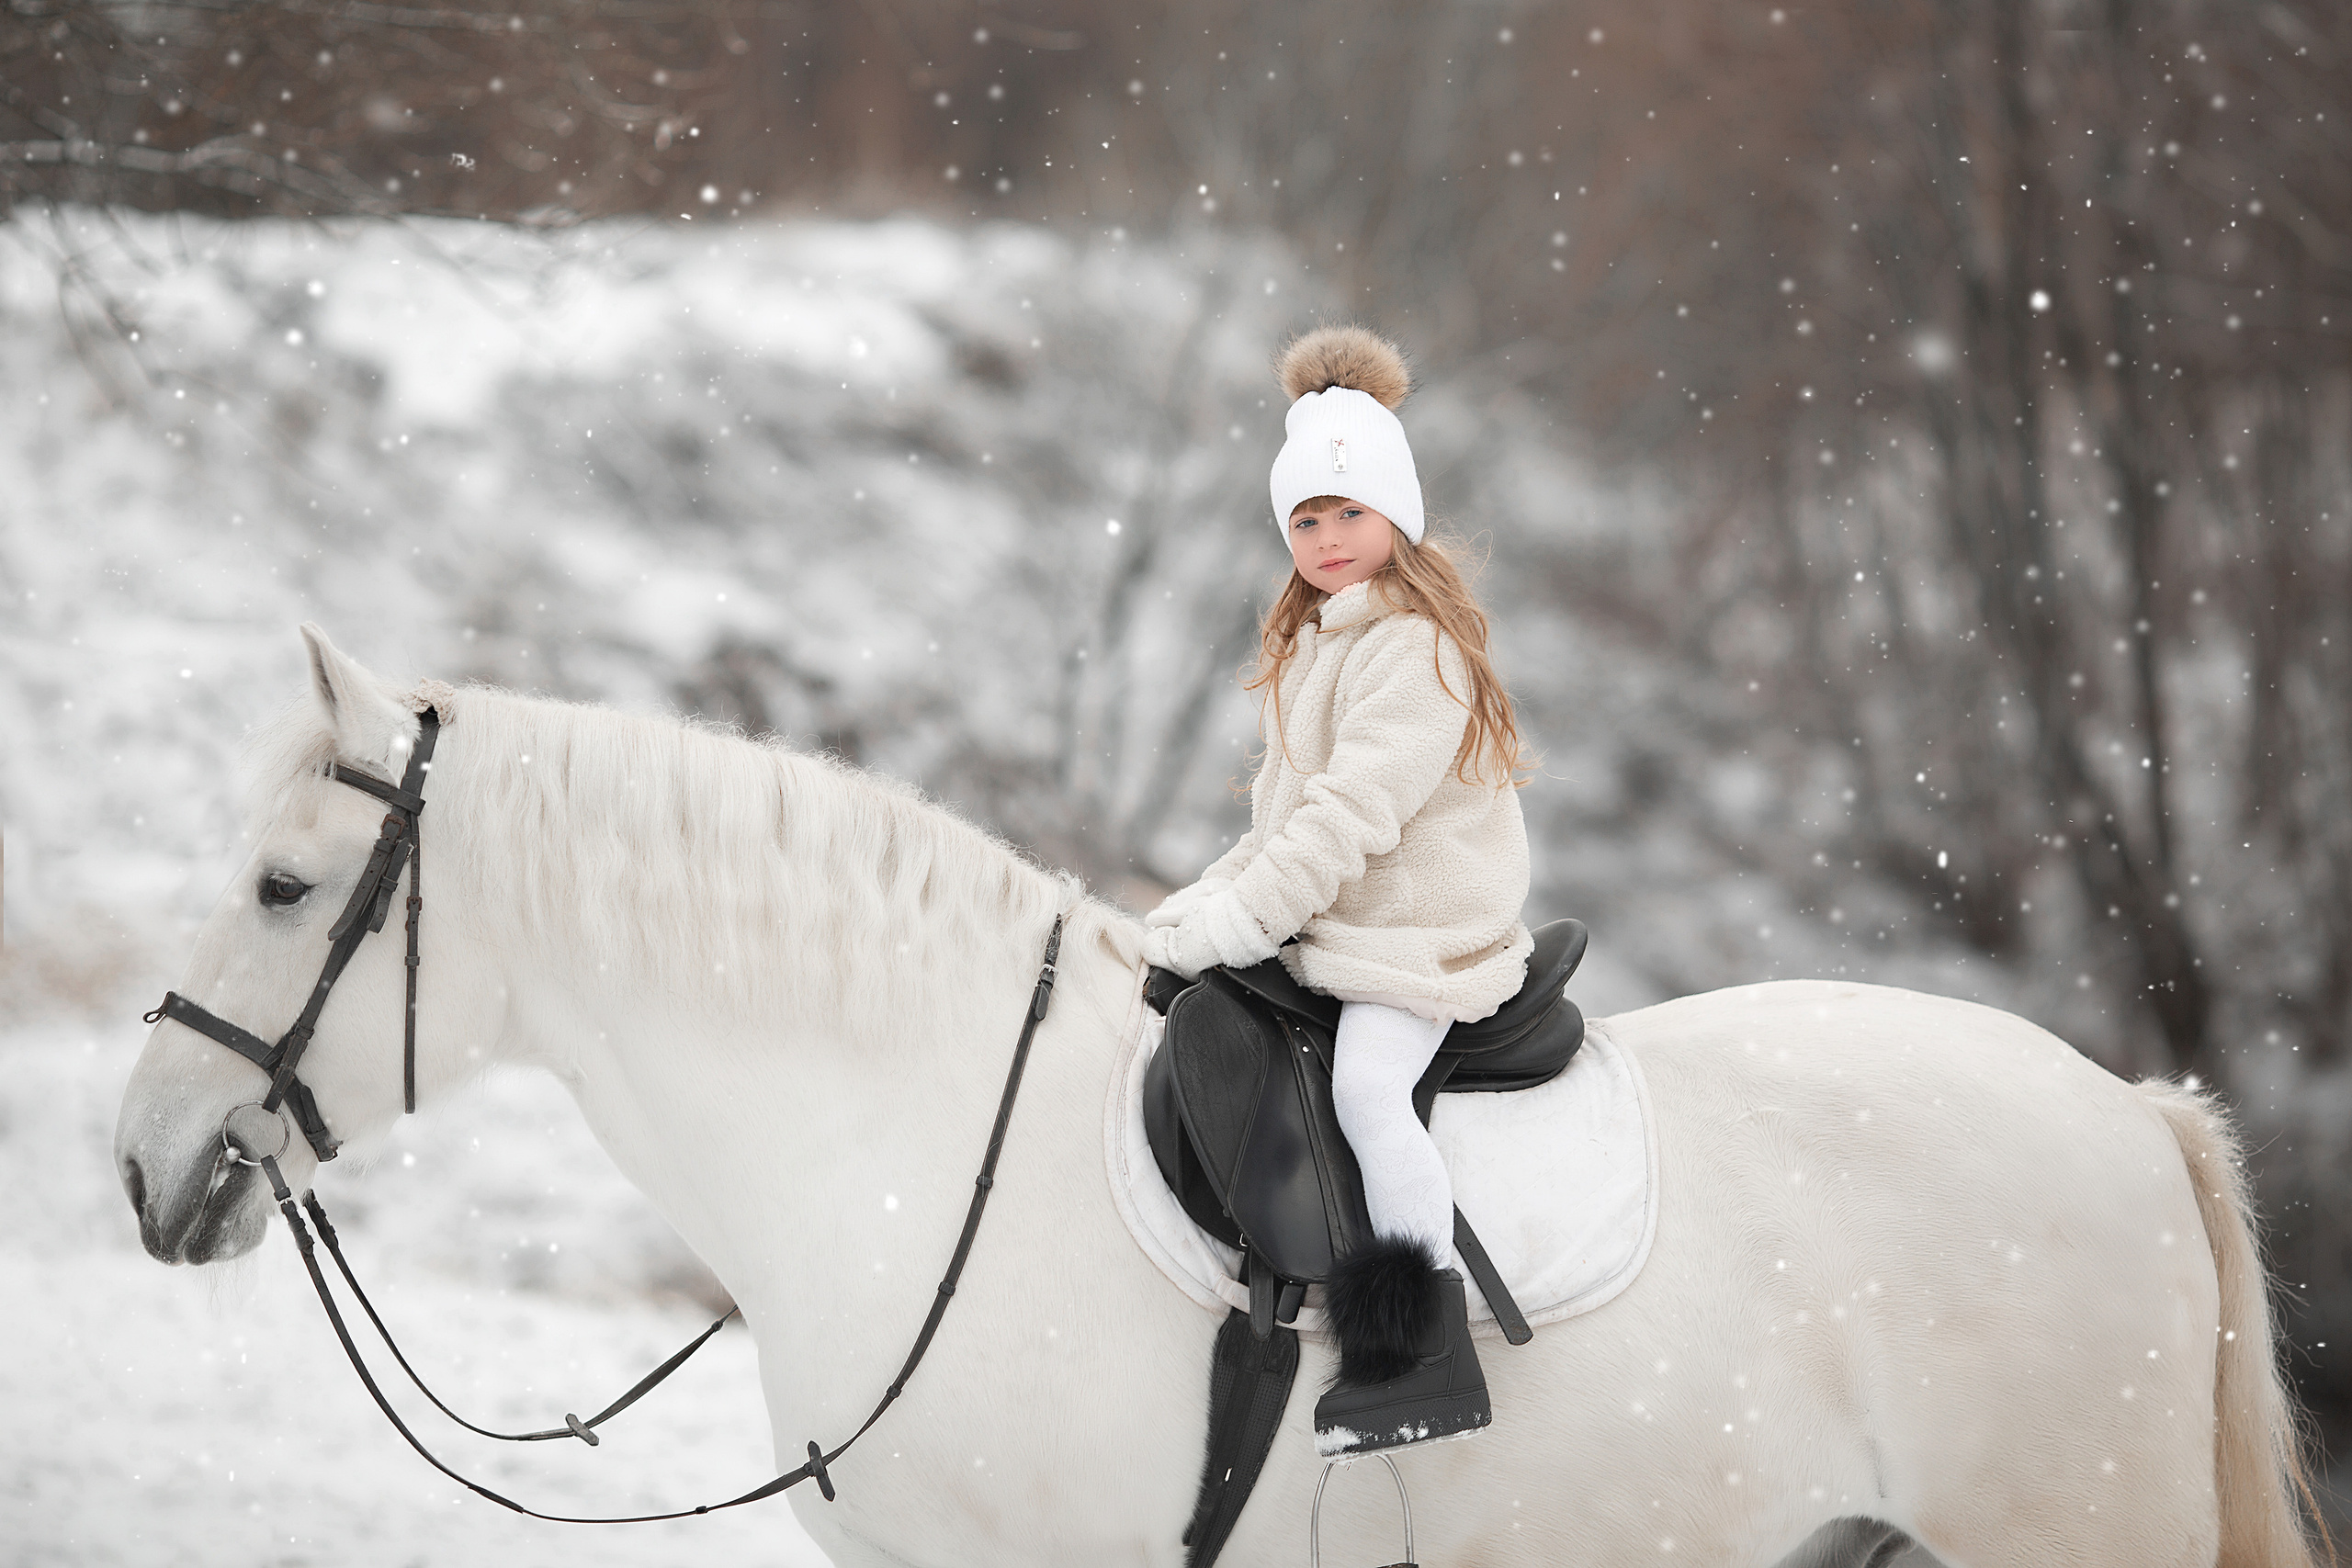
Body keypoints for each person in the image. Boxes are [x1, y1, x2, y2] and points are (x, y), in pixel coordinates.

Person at [1142, 325, 1533, 1457]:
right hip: (1341, 917)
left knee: (1366, 1086)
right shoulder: (1312, 647)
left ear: (1394, 519)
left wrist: (1244, 921)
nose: (1324, 537)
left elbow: (1348, 819)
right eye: (1304, 519)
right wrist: (1188, 912)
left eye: (1346, 513)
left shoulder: (1414, 648)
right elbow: (1278, 824)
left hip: (1418, 934)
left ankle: (1427, 1343)